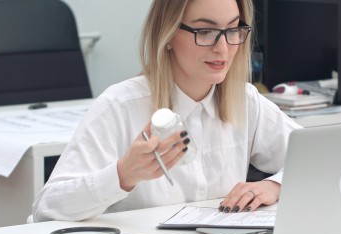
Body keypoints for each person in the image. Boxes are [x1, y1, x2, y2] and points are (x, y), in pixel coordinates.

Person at [32, 0, 301, 222]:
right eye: (204, 32)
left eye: (233, 30)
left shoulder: (245, 101)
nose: (223, 48)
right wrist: (122, 174)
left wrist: (274, 186)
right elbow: (47, 208)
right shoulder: (120, 106)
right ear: (169, 33)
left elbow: (321, 158)